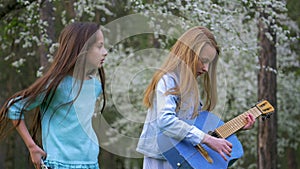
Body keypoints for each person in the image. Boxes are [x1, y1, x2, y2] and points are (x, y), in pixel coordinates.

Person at [136, 26, 255, 169]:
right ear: (188, 53)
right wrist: (207, 139)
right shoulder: (168, 80)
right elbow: (165, 121)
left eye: (209, 63)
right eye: (203, 60)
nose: (206, 68)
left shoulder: (190, 87)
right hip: (162, 160)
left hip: (181, 160)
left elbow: (195, 128)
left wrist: (237, 126)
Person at [0, 22, 108, 169]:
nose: (105, 52)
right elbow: (14, 107)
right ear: (82, 48)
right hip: (60, 164)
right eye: (100, 46)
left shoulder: (96, 87)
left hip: (91, 163)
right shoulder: (56, 85)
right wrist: (32, 147)